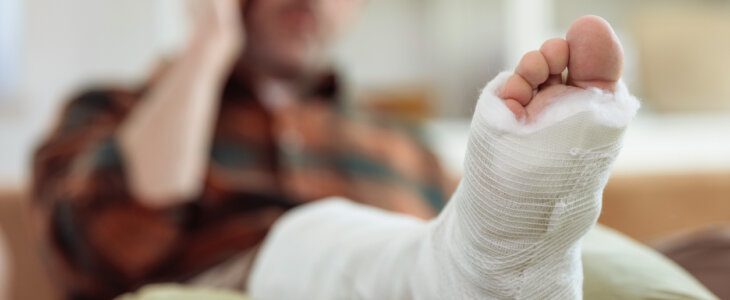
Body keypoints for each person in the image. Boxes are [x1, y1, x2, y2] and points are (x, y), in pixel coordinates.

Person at [31, 0, 638, 299]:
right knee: (423, 261)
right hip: (229, 286)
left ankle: (497, 261)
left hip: (418, 284)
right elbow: (100, 256)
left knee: (679, 265)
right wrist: (207, 45)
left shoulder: (403, 143)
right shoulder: (114, 110)